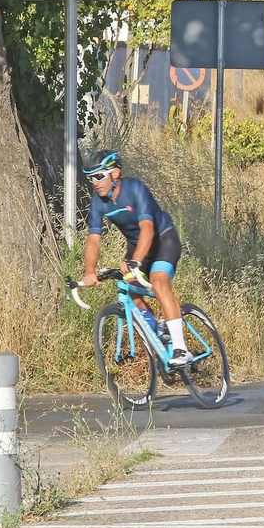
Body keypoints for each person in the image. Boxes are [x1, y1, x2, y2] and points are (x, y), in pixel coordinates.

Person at [79, 150, 190, 367]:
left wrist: (136, 260)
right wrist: (90, 270)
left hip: (162, 239)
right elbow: (93, 238)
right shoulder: (98, 201)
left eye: (99, 176)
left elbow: (147, 230)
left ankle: (181, 348)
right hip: (137, 247)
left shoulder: (135, 189)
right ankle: (158, 332)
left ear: (115, 173)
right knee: (129, 290)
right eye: (91, 178)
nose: (95, 182)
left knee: (158, 281)